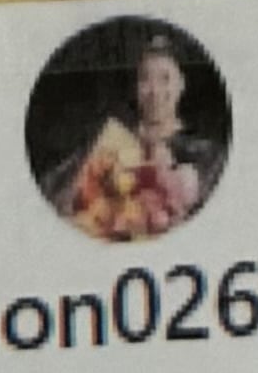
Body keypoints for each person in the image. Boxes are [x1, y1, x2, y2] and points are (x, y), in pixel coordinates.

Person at [46, 31, 215, 242]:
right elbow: (55, 192)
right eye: (145, 79)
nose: (154, 91)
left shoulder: (204, 154)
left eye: (165, 78)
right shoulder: (108, 140)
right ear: (136, 87)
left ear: (181, 84)